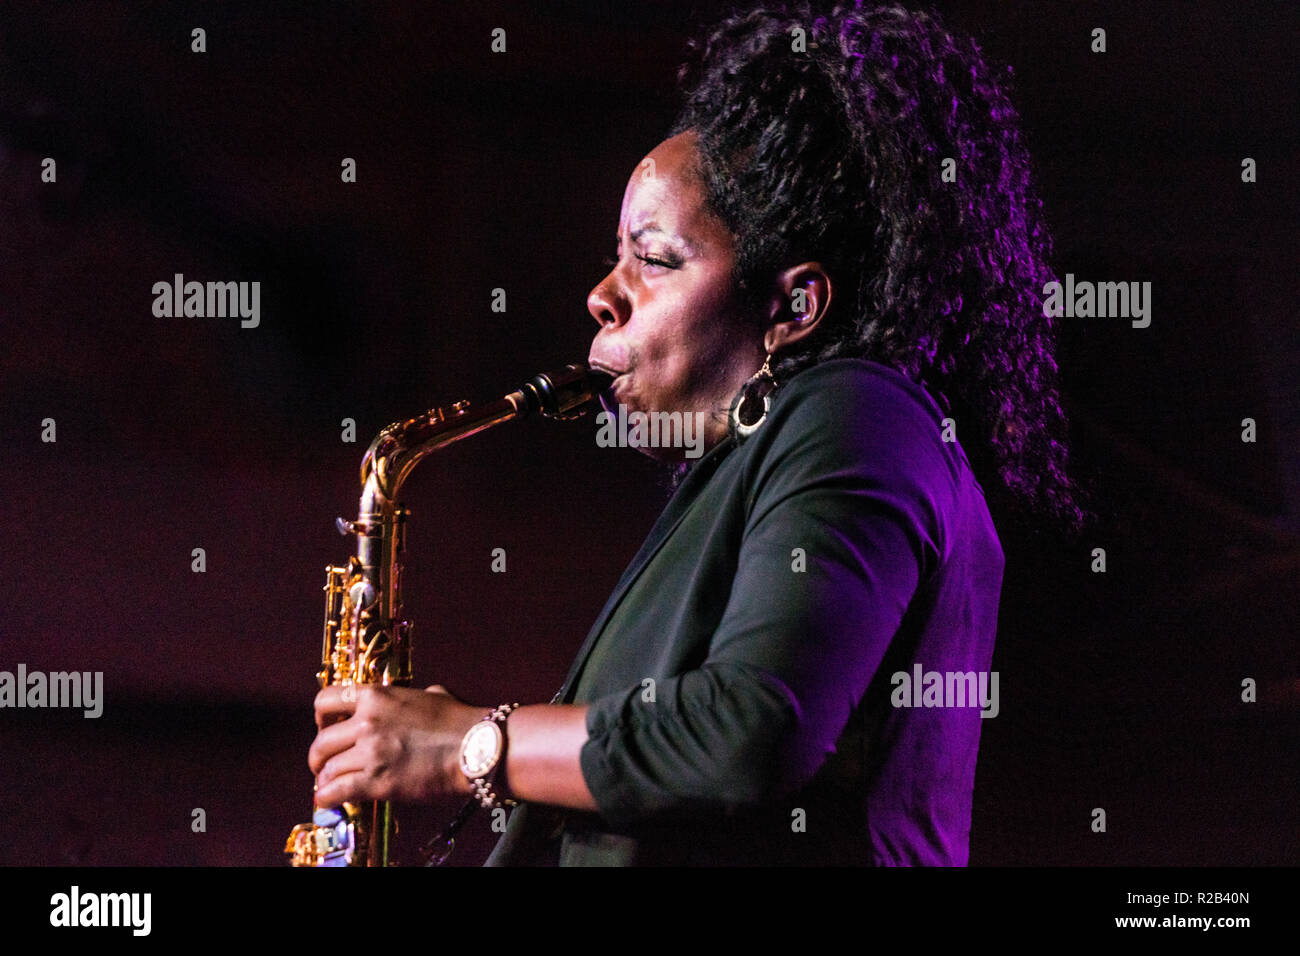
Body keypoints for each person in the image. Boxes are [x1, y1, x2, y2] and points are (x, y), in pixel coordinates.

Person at [308, 1, 1089, 866]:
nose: (603, 295)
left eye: (654, 259)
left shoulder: (860, 418)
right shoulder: (767, 455)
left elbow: (753, 729)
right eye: (616, 255)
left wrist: (469, 744)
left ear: (794, 306)